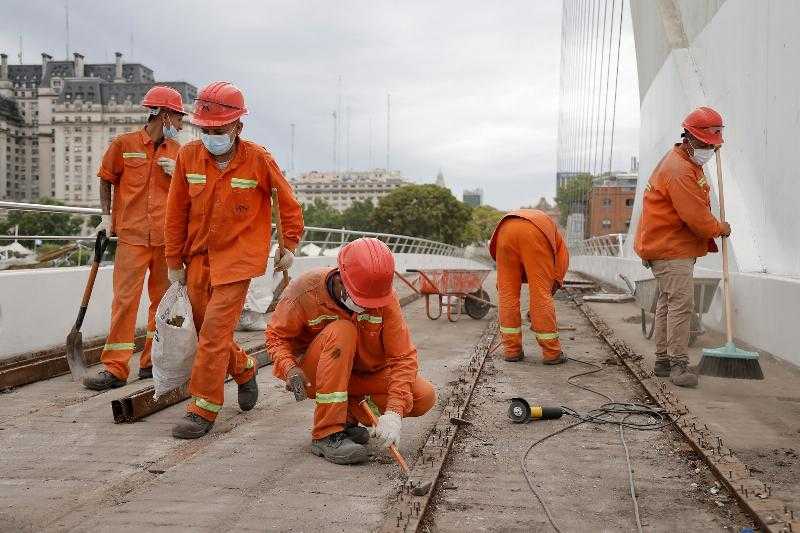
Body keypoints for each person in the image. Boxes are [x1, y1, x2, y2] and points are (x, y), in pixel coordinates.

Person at [164, 81, 304, 438]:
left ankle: (203, 408)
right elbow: (175, 211)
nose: (211, 135)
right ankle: (244, 368)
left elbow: (288, 205)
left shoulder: (259, 159)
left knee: (213, 333)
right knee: (204, 330)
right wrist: (173, 261)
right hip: (197, 257)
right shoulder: (189, 157)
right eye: (205, 129)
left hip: (238, 260)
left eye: (219, 129)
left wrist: (288, 245)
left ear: (238, 127)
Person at [266, 238, 436, 465]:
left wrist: (394, 412)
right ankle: (326, 433)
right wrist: (289, 367)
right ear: (341, 277)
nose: (367, 306)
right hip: (316, 375)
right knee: (342, 331)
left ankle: (347, 417)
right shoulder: (305, 290)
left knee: (423, 396)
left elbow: (402, 357)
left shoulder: (384, 298)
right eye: (362, 300)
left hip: (361, 376)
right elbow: (276, 337)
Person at [84, 86, 186, 390]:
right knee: (125, 301)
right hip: (131, 236)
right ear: (164, 114)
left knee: (162, 303)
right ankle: (115, 367)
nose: (180, 125)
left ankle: (150, 362)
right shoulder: (124, 144)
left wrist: (177, 173)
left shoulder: (180, 154)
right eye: (178, 118)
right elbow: (106, 178)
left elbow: (192, 194)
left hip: (166, 241)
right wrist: (106, 218)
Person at [634, 106, 731, 388]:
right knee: (681, 304)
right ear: (689, 137)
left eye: (713, 145)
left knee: (668, 302)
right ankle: (678, 365)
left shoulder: (685, 162)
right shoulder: (680, 171)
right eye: (705, 144)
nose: (709, 150)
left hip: (667, 244)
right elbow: (696, 218)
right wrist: (720, 228)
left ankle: (663, 361)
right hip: (670, 248)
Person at [489, 209, 569, 364]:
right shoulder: (560, 247)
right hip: (534, 231)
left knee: (507, 295)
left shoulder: (550, 232)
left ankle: (512, 351)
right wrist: (551, 288)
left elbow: (503, 285)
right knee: (540, 294)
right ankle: (552, 352)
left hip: (505, 230)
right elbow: (557, 273)